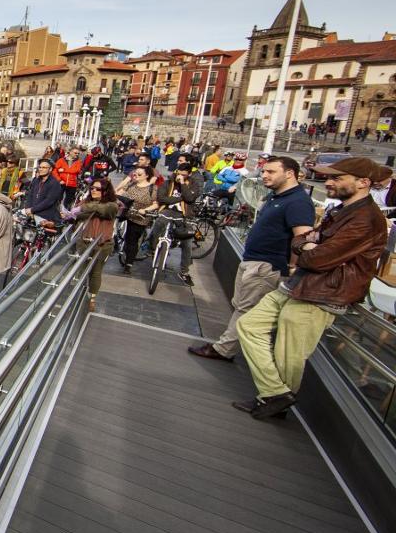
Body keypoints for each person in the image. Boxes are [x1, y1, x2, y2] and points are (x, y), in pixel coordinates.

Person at [233, 157, 389, 419]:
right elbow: (301, 241)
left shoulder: (365, 218)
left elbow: (318, 257)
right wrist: (308, 246)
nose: (328, 182)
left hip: (323, 292)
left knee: (289, 352)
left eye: (337, 178)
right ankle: (275, 393)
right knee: (249, 325)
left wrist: (309, 248)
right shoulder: (342, 210)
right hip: (301, 285)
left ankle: (272, 402)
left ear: (363, 183)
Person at [190, 157, 316, 362]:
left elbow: (301, 238)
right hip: (254, 261)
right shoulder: (276, 196)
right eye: (264, 171)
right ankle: (228, 348)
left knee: (246, 309)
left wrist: (293, 266)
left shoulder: (298, 202)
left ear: (290, 173)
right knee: (241, 305)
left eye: (271, 172)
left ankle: (224, 349)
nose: (264, 175)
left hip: (268, 265)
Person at [69, 178, 120, 311]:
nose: (94, 191)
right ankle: (76, 295)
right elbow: (78, 215)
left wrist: (82, 208)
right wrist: (71, 215)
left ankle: (92, 298)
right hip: (84, 240)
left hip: (102, 244)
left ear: (106, 191)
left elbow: (102, 209)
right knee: (80, 269)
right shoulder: (86, 201)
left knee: (96, 272)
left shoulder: (112, 204)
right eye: (92, 188)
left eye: (98, 189)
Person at [149, 161, 202, 286]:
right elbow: (161, 198)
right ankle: (153, 247)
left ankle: (184, 272)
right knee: (159, 223)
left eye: (184, 175)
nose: (180, 177)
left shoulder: (193, 185)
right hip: (167, 210)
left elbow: (189, 198)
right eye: (179, 174)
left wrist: (183, 185)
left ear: (189, 175)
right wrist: (179, 198)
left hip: (184, 215)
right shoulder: (168, 183)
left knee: (187, 243)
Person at [116, 166, 159, 273]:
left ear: (147, 176)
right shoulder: (131, 184)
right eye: (135, 174)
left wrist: (145, 210)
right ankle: (123, 251)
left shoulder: (152, 188)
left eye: (139, 174)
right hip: (127, 214)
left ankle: (128, 264)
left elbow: (156, 204)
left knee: (133, 241)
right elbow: (120, 193)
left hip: (140, 218)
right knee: (127, 238)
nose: (135, 176)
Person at [23, 159, 64, 225]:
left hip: (45, 214)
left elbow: (48, 201)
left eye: (44, 167)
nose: (41, 169)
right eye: (40, 167)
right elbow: (30, 195)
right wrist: (27, 208)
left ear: (50, 169)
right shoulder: (36, 180)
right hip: (31, 211)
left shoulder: (55, 183)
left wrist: (32, 210)